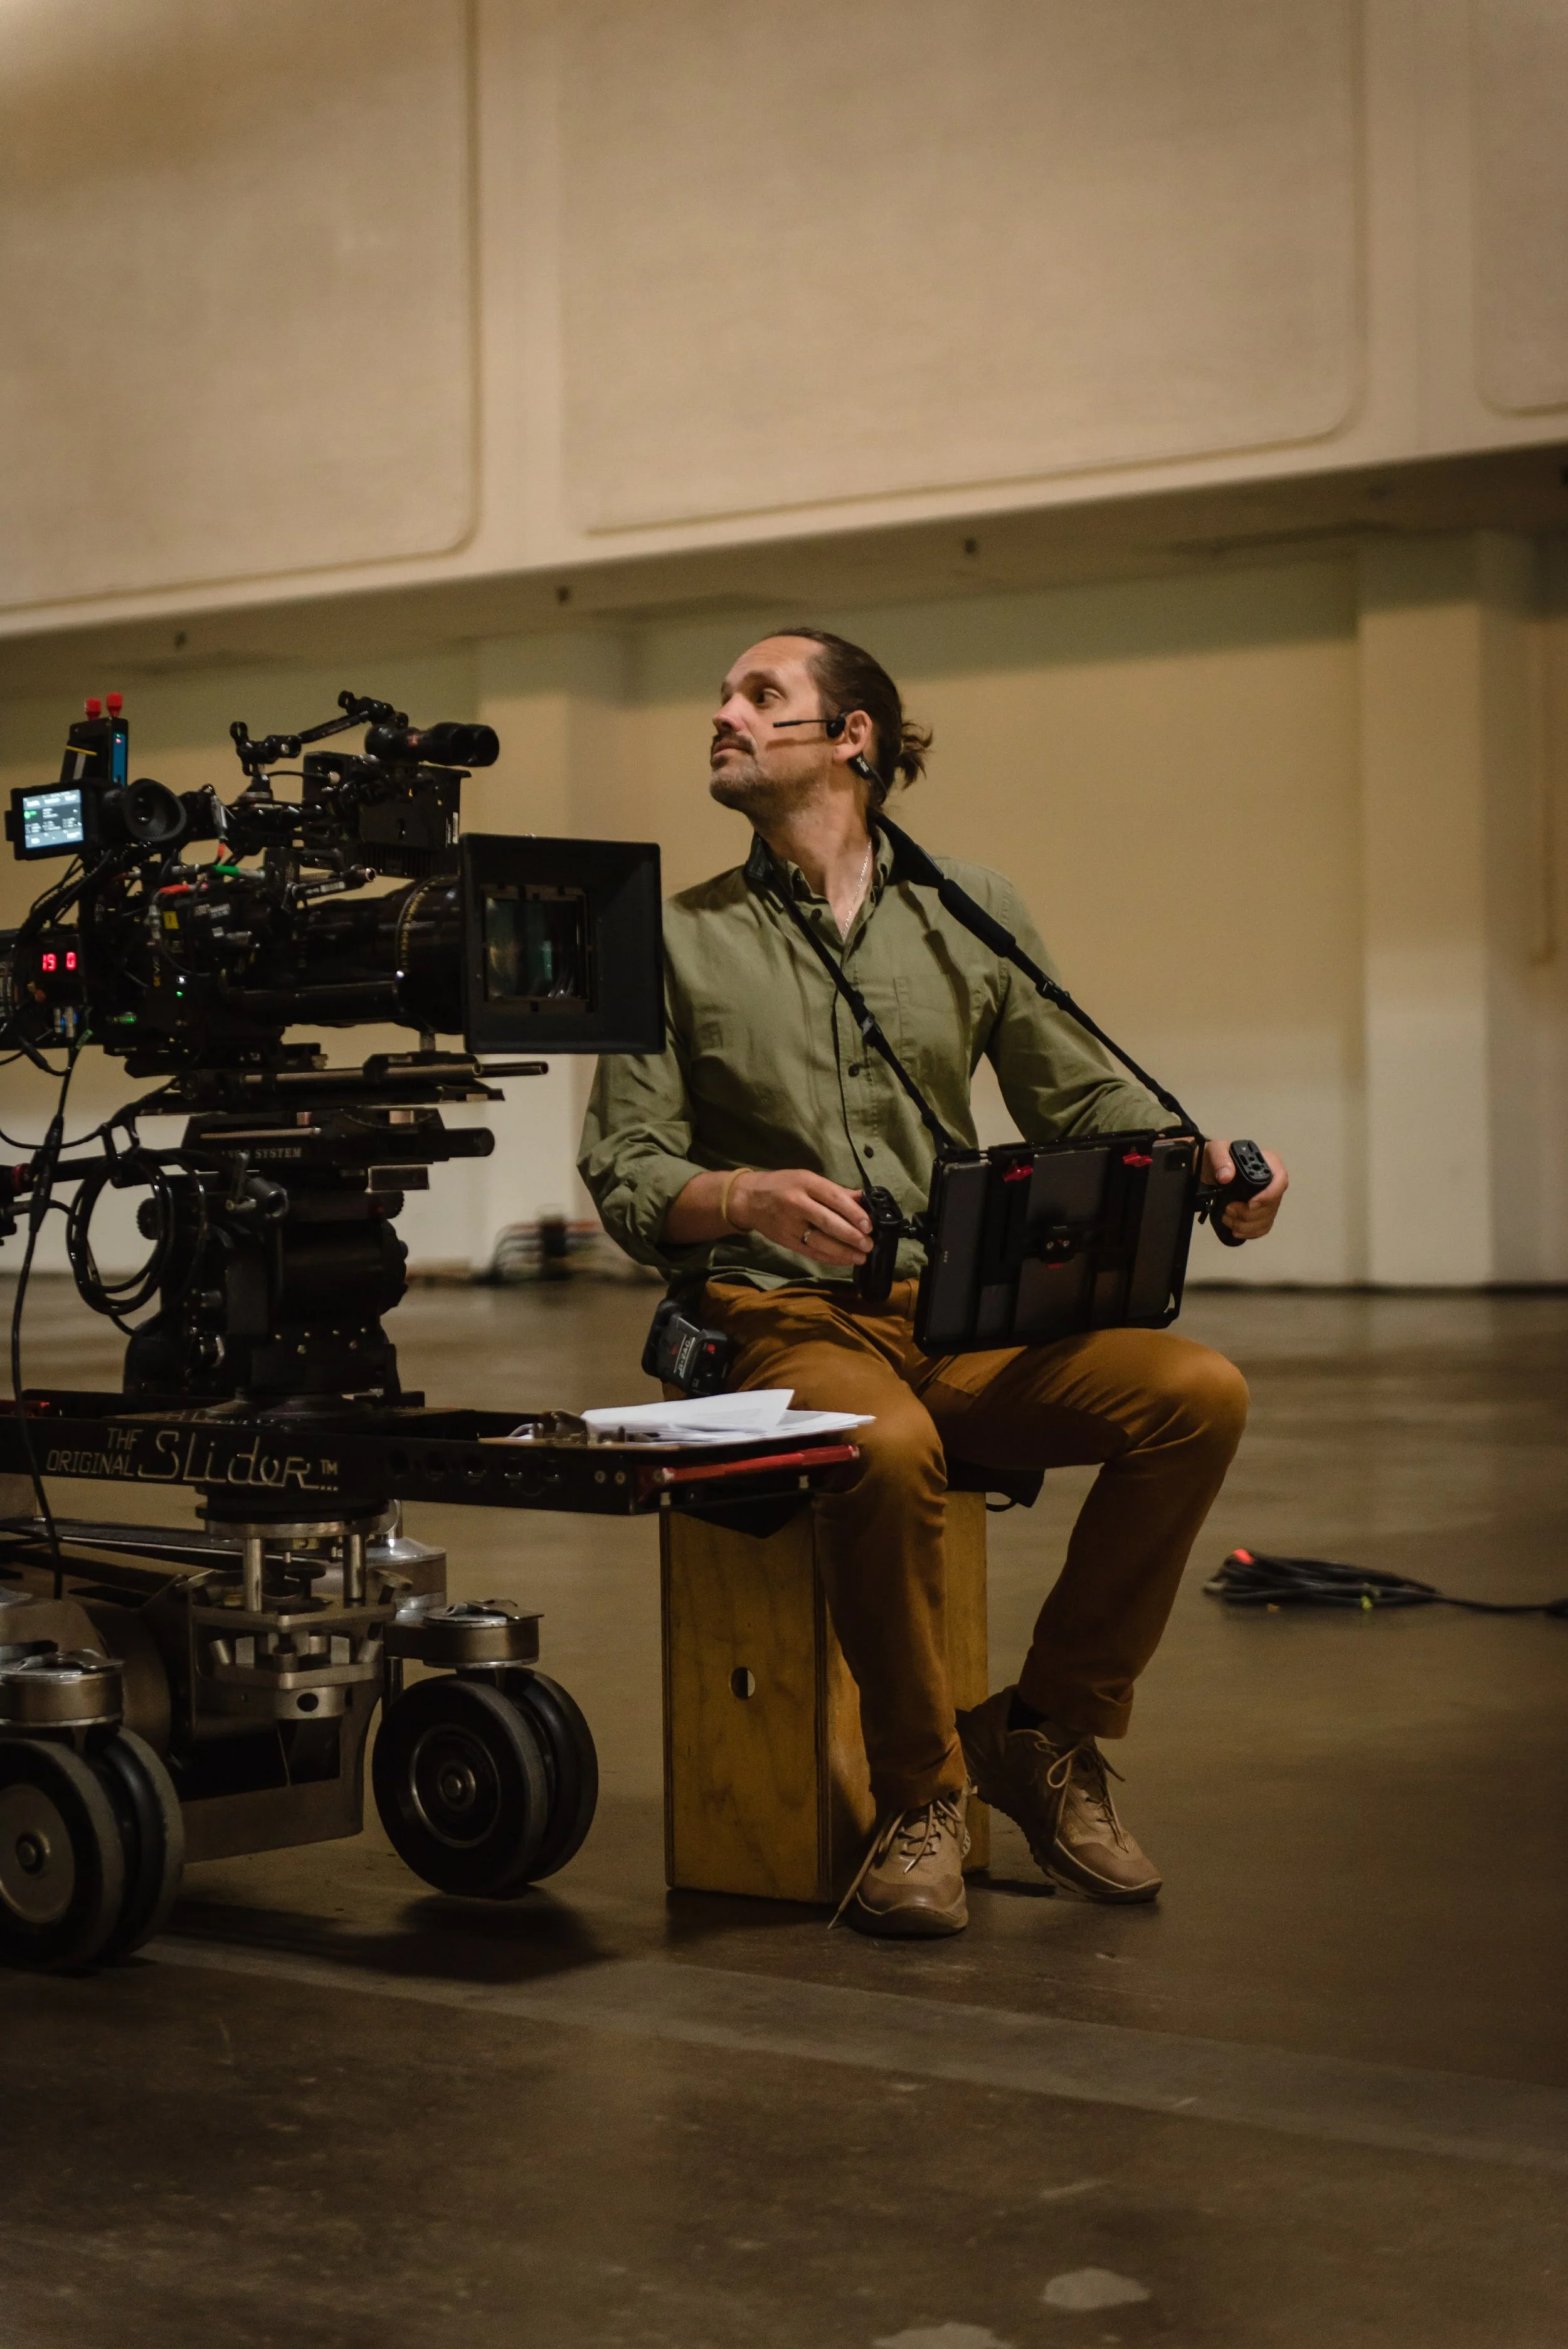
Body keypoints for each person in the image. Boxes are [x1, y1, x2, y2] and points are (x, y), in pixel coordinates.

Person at [579, 629, 1287, 1939]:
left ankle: (1047, 1730)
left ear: (850, 738)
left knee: (1193, 1392)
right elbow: (621, 1164)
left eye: (758, 696)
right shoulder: (672, 940)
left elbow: (1081, 1090)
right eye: (723, 697)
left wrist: (1208, 1170)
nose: (721, 715)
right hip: (777, 1313)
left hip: (959, 1311)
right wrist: (743, 1197)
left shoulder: (968, 906)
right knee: (885, 1446)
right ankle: (922, 1794)